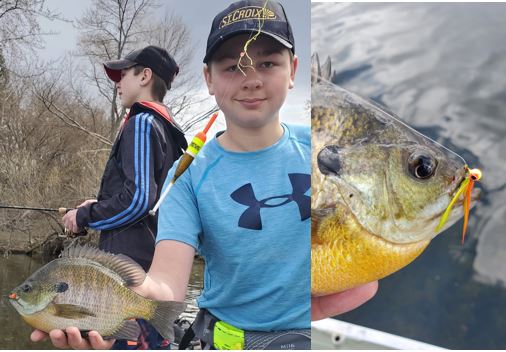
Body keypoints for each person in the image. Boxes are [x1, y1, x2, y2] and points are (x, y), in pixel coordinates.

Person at [60, 45, 188, 349]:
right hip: (148, 268)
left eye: (124, 74)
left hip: (132, 272)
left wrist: (84, 217)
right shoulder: (165, 127)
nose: (118, 83)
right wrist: (98, 205)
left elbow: (139, 199)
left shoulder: (142, 123)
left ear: (144, 76)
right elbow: (144, 196)